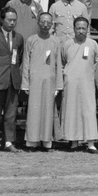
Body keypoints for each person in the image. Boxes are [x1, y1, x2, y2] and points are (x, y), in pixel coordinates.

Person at [21, 12, 62, 152]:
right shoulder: (31, 40)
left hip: (50, 80)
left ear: (52, 25)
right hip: (34, 80)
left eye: (48, 23)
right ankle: (32, 141)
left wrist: (58, 84)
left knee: (48, 110)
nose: (45, 25)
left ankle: (46, 141)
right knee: (34, 110)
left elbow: (58, 64)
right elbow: (26, 62)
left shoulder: (56, 41)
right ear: (38, 22)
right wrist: (25, 83)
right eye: (43, 22)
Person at [0, 7, 23, 153]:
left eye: (14, 20)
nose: (12, 22)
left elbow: (19, 57)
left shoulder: (18, 37)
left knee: (11, 114)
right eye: (9, 20)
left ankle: (9, 142)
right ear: (2, 20)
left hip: (13, 80)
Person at [60, 16, 98, 154]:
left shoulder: (93, 44)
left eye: (84, 28)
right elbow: (63, 61)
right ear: (74, 29)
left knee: (88, 111)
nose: (81, 31)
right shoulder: (67, 44)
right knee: (72, 111)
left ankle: (90, 143)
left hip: (87, 82)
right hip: (71, 82)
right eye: (78, 28)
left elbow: (97, 62)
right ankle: (73, 142)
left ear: (87, 29)